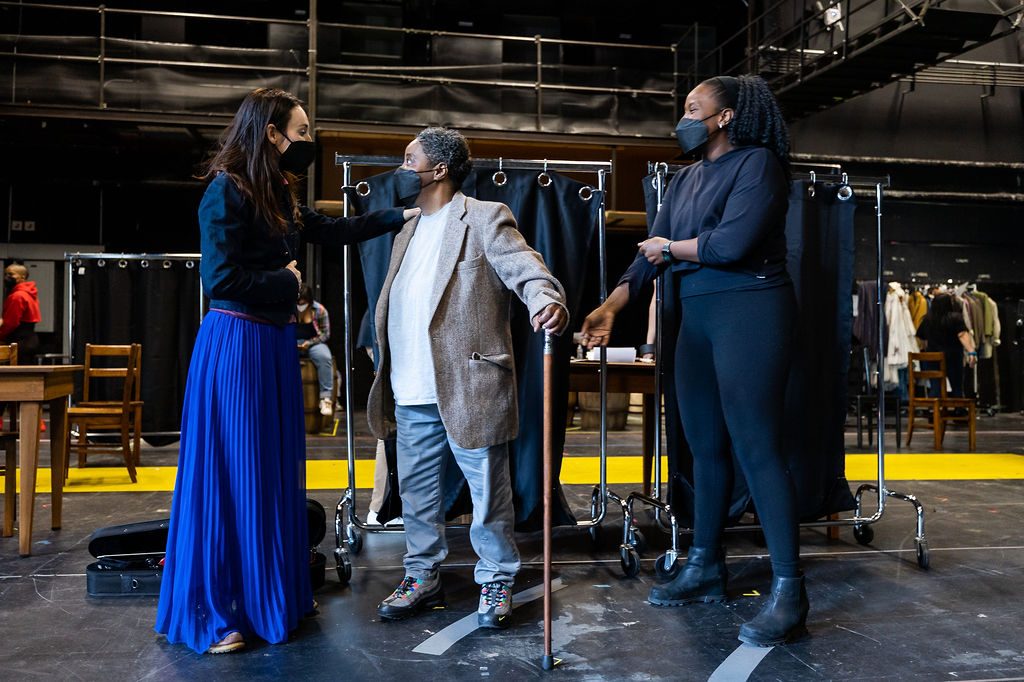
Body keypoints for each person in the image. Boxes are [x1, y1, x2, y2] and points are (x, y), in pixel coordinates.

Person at [155, 87, 419, 655]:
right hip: (237, 345)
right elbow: (220, 281)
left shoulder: (275, 189)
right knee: (234, 475)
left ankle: (266, 597)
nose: (307, 143)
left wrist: (399, 216)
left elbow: (326, 230)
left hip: (271, 346)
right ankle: (214, 609)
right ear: (272, 134)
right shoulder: (226, 192)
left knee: (270, 474)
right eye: (300, 133)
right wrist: (289, 282)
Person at [580, 75, 808, 647]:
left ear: (726, 116)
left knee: (756, 445)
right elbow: (646, 256)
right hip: (695, 319)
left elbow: (730, 245)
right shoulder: (683, 180)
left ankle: (789, 588)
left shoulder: (758, 165)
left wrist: (668, 250)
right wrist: (611, 306)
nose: (683, 117)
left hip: (750, 311)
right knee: (702, 446)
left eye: (692, 108)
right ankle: (706, 564)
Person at [367, 127, 568, 629]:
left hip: (471, 383)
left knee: (487, 493)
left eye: (408, 158)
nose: (401, 166)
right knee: (416, 494)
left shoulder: (483, 216)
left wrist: (546, 297)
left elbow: (524, 265)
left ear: (438, 169)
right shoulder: (406, 229)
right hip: (410, 385)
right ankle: (422, 573)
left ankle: (497, 577)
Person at [916, 292, 976, 398]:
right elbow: (962, 335)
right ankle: (958, 408)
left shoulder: (927, 319)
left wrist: (927, 349)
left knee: (935, 386)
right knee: (957, 386)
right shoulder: (955, 318)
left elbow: (921, 337)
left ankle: (936, 409)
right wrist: (971, 351)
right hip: (953, 357)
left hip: (933, 358)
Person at [295, 283, 335, 416]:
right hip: (292, 343)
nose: (301, 304)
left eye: (304, 302)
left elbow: (325, 334)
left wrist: (309, 343)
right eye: (299, 301)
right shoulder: (289, 309)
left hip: (313, 342)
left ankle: (325, 398)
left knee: (324, 357)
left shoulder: (319, 310)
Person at [0, 263, 42, 365]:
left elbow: (11, 323)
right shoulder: (30, 294)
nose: (7, 277)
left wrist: (0, 336)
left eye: (11, 274)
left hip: (19, 342)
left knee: (15, 378)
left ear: (22, 277)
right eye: (5, 274)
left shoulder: (17, 296)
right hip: (30, 340)